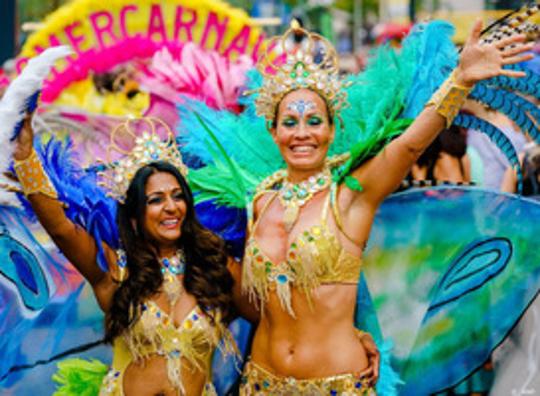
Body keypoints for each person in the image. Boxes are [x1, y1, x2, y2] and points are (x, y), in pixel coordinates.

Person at [237, 20, 533, 395]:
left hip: (337, 384)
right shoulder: (260, 201)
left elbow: (409, 145)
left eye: (314, 121)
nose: (302, 133)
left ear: (331, 129)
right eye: (289, 123)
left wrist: (461, 79)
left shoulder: (350, 194)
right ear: (273, 131)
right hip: (261, 382)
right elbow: (256, 305)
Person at [12, 117, 236, 395]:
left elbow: (263, 311)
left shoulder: (214, 263)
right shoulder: (116, 269)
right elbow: (61, 230)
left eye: (177, 196)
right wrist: (25, 158)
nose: (171, 207)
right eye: (155, 200)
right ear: (133, 217)